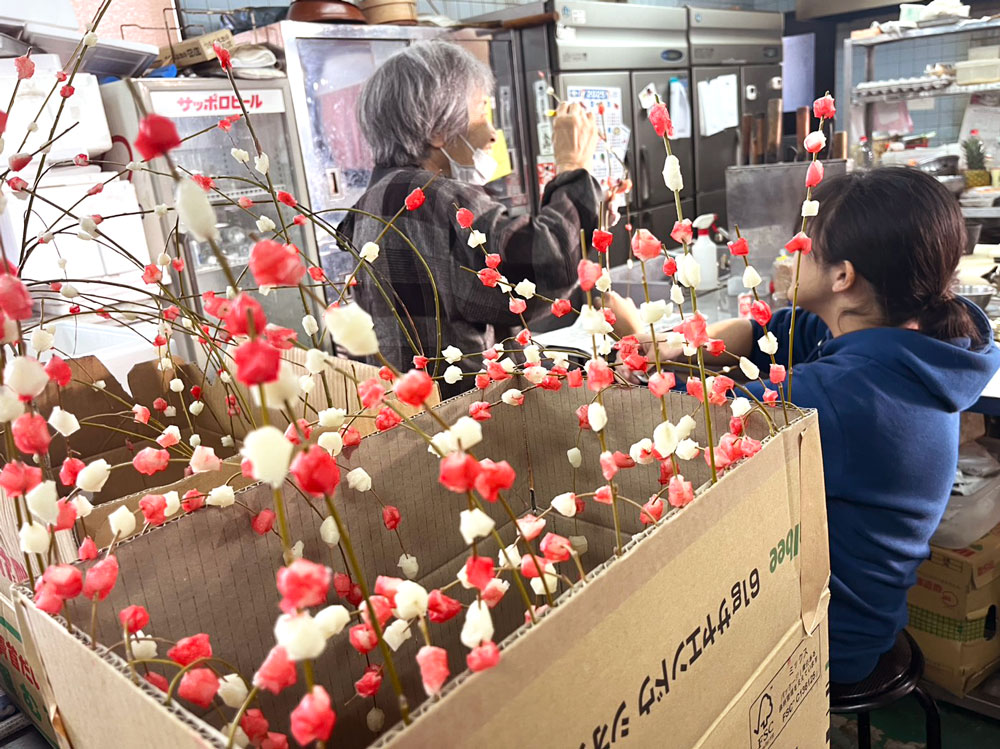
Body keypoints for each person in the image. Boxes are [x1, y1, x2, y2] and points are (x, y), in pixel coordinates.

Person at [630, 168, 1000, 686]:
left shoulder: (846, 395)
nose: (788, 254)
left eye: (802, 245)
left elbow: (702, 417)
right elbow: (775, 331)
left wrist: (638, 359)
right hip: (871, 612)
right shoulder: (913, 338)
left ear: (842, 277)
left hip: (829, 635)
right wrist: (682, 343)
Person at [338, 40, 601, 396]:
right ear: (437, 130)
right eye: (481, 112)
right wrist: (572, 166)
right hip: (467, 410)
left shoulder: (371, 202)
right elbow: (547, 264)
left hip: (415, 410)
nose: (492, 133)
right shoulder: (433, 198)